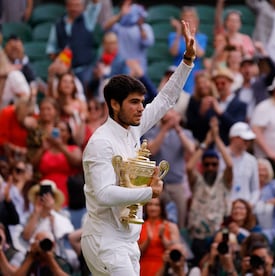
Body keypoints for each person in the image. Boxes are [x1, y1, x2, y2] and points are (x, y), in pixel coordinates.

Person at [80, 20, 195, 275]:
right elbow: (104, 194)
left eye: (142, 102)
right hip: (105, 240)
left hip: (128, 241)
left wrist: (187, 61)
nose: (141, 108)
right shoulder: (101, 142)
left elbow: (165, 99)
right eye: (134, 102)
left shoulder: (132, 130)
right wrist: (148, 193)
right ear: (114, 104)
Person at [186, 117, 233, 266]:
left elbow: (230, 165)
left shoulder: (223, 181)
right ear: (203, 166)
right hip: (198, 235)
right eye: (207, 164)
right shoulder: (197, 181)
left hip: (217, 235)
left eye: (214, 164)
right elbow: (189, 167)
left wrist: (217, 138)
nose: (211, 167)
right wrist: (205, 143)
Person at [143, 109, 196, 229]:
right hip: (155, 183)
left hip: (176, 185)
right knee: (151, 218)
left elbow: (191, 150)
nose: (168, 114)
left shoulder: (185, 133)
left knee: (180, 220)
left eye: (172, 111)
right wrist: (165, 129)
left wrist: (177, 129)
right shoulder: (151, 133)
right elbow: (151, 151)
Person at [138, 197, 181, 276]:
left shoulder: (170, 226)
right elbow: (136, 251)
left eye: (156, 205)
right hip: (142, 266)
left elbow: (175, 252)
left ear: (161, 208)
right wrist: (148, 241)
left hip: (163, 266)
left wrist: (162, 237)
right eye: (150, 204)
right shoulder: (139, 226)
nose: (153, 208)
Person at [225, 122, 260, 205]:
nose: (247, 142)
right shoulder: (221, 157)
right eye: (244, 139)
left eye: (249, 140)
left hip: (245, 209)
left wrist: (250, 205)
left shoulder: (252, 160)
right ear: (234, 138)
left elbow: (255, 189)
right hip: (225, 206)